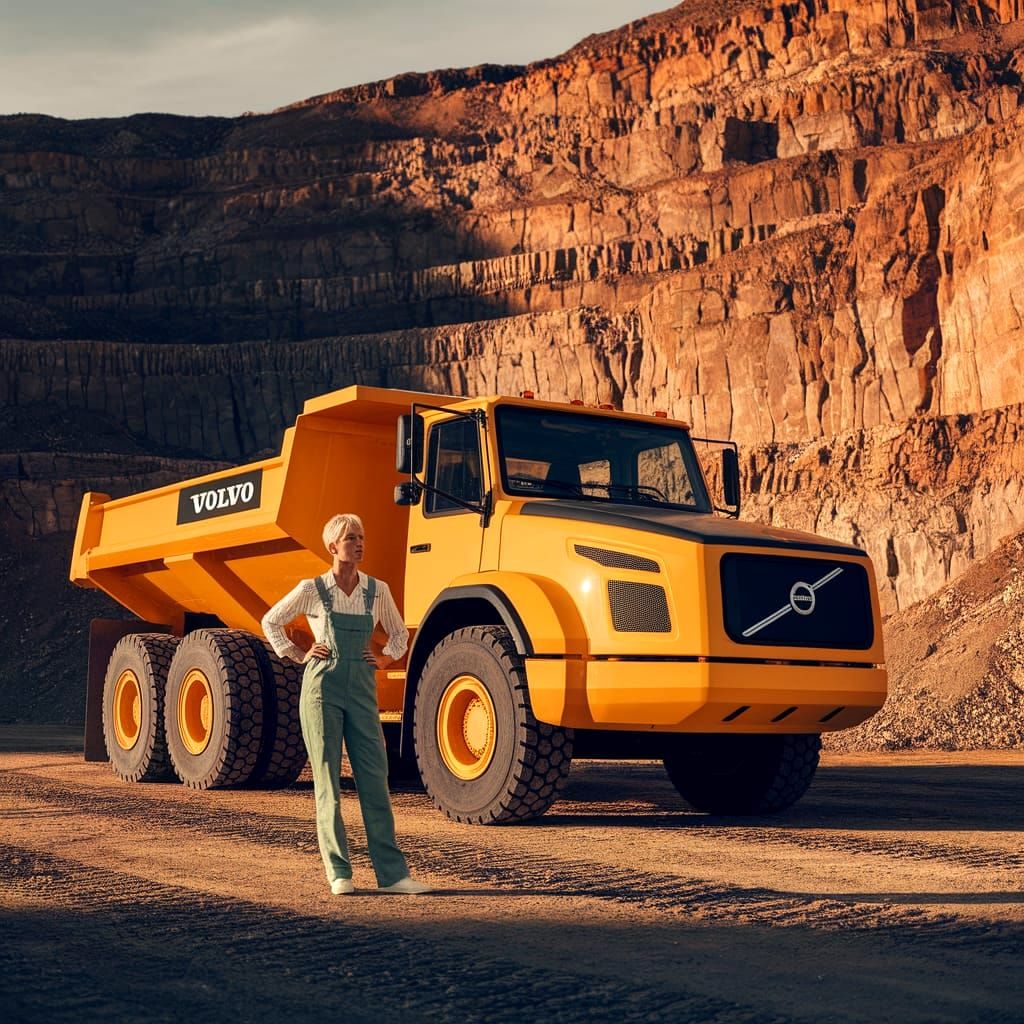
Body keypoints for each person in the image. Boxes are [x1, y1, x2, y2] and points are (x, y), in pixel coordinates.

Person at [261, 512, 431, 896]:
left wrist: (384, 659)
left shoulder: (377, 590)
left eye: (361, 537)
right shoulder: (312, 589)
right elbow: (271, 620)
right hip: (322, 686)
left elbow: (400, 634)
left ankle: (393, 876)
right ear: (333, 546)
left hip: (362, 690)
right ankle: (339, 873)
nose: (359, 544)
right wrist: (298, 653)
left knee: (375, 778)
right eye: (351, 538)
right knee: (328, 782)